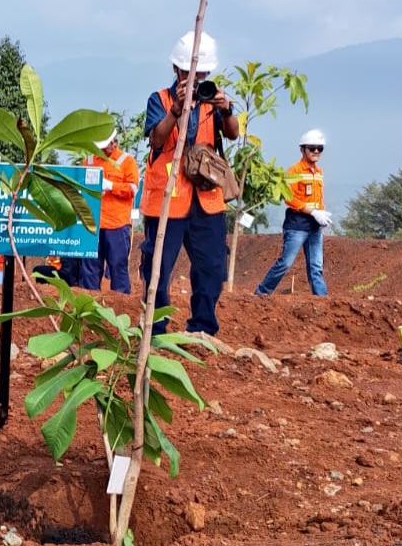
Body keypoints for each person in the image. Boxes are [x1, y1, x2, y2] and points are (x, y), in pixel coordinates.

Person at [139, 30, 240, 336]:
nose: (196, 79)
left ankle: (203, 328)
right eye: (189, 73)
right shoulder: (160, 99)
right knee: (157, 268)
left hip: (206, 199)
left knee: (212, 268)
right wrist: (176, 109)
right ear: (176, 70)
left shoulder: (212, 100)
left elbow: (233, 134)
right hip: (167, 199)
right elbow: (156, 139)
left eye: (202, 73)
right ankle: (155, 331)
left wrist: (227, 109)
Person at [255, 129, 331, 296]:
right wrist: (312, 212)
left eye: (320, 148)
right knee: (285, 262)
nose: (316, 151)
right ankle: (262, 292)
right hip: (297, 225)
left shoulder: (319, 173)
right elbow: (289, 198)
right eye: (312, 148)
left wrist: (321, 213)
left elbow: (318, 198)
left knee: (316, 267)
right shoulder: (295, 171)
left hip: (314, 226)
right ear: (303, 149)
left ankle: (322, 300)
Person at [80, 129, 139, 293]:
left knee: (118, 267)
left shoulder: (126, 161)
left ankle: (120, 309)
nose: (105, 150)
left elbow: (133, 189)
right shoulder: (89, 161)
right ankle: (88, 309)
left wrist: (111, 186)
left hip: (117, 225)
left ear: (114, 141)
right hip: (93, 225)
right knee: (89, 269)